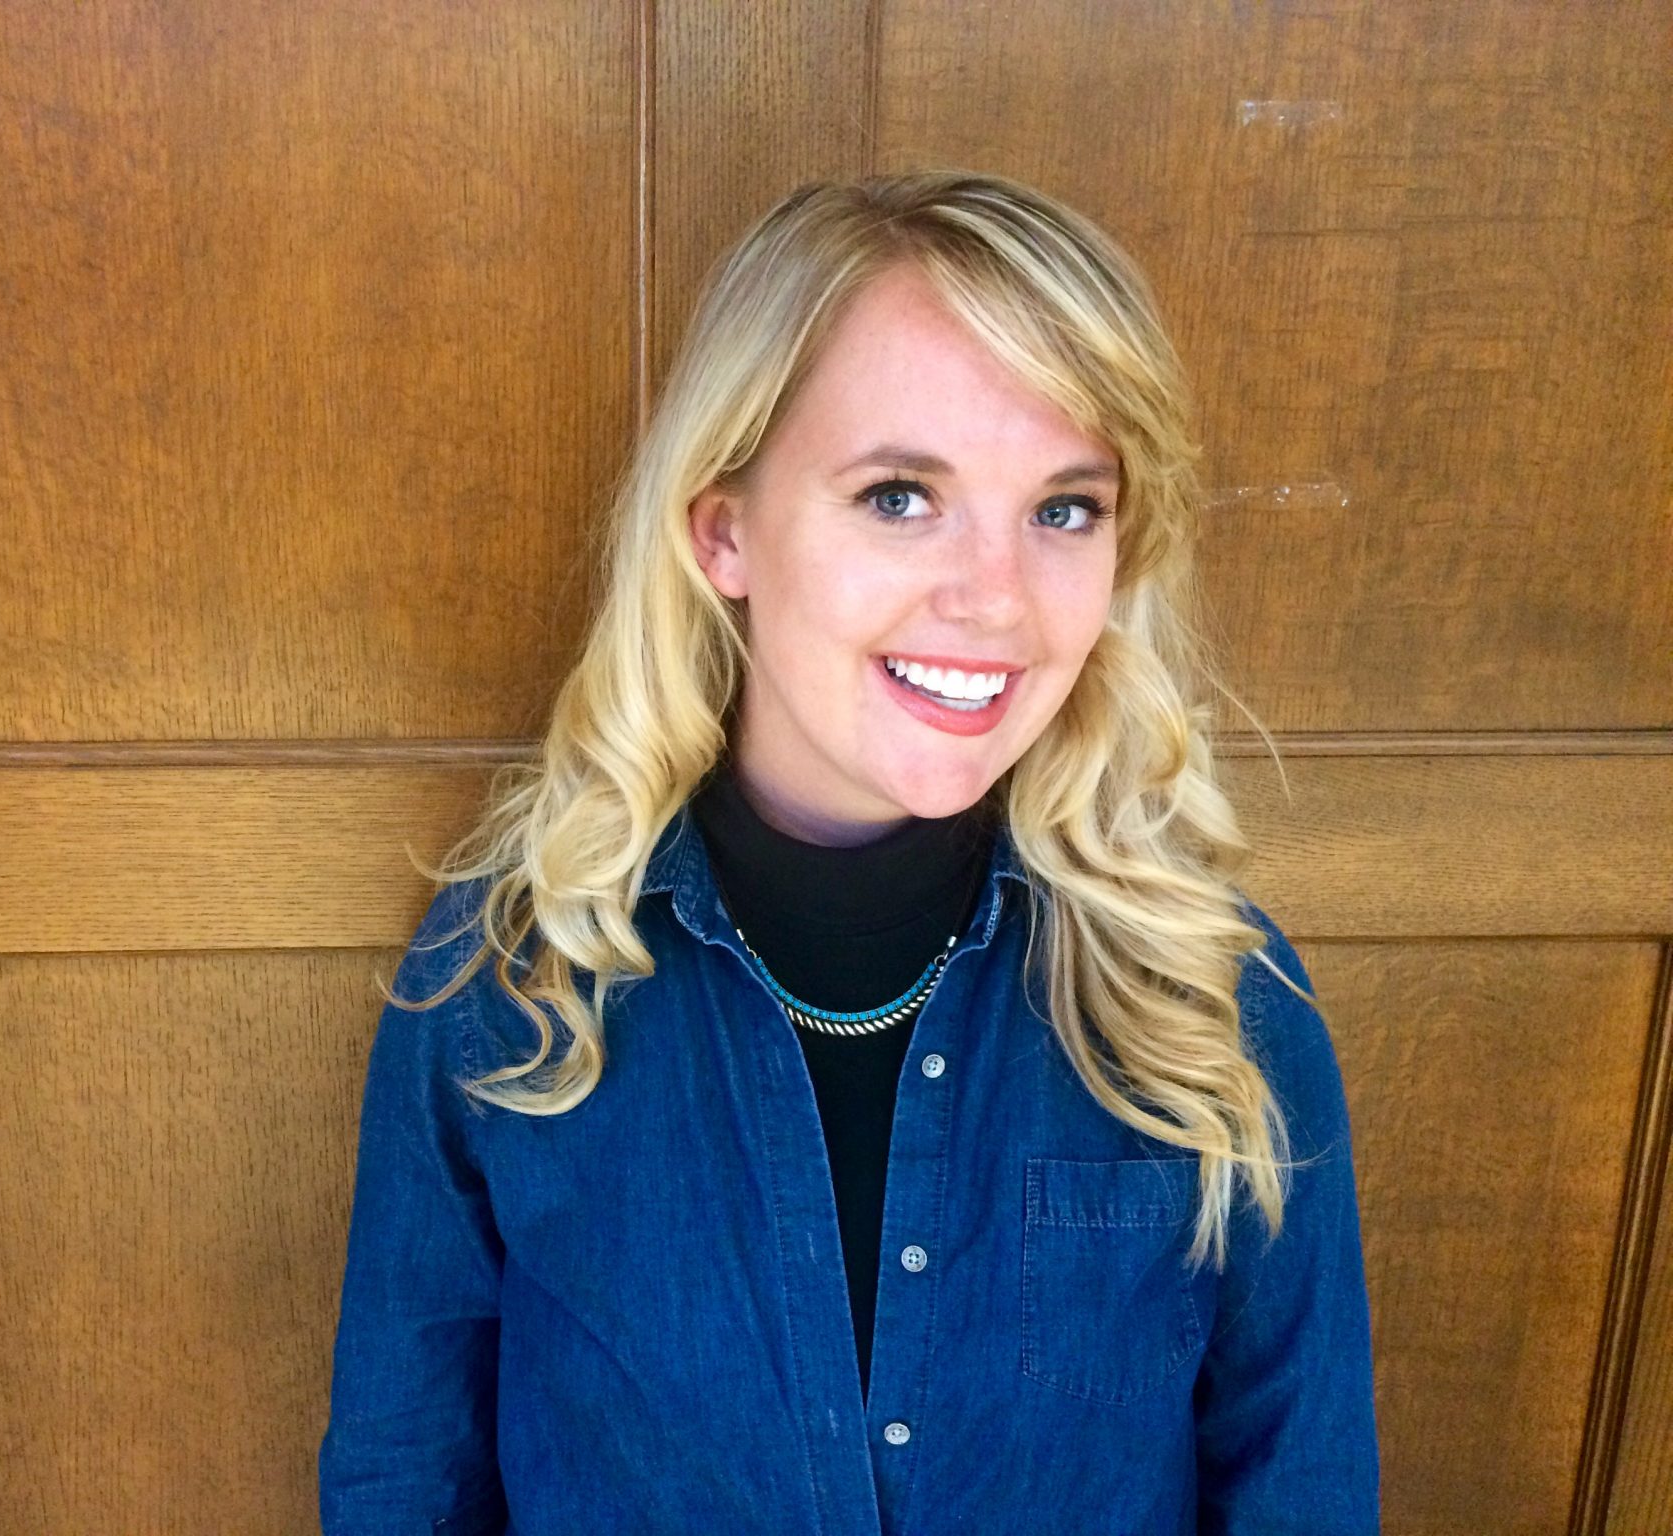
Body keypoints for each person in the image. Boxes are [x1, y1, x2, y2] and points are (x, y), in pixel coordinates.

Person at [318, 169, 1381, 1534]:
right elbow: (407, 1482)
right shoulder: (507, 985)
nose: (993, 598)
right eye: (898, 495)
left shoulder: (1215, 1005)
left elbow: (1303, 1493)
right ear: (724, 531)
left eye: (1065, 508)